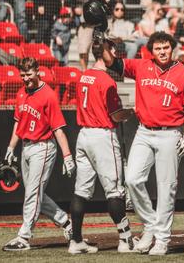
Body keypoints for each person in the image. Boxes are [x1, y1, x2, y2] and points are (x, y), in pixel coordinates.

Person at [98, 31, 184, 255]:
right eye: (158, 48)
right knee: (133, 179)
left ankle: (162, 239)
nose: (162, 52)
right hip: (144, 132)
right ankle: (150, 225)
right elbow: (111, 62)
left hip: (170, 133)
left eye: (166, 48)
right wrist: (102, 42)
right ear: (151, 51)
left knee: (166, 188)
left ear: (172, 49)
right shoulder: (142, 66)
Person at [68, 45, 137, 254]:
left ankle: (76, 241)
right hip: (103, 136)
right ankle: (126, 240)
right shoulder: (107, 80)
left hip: (84, 135)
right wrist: (131, 112)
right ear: (109, 53)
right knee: (114, 191)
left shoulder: (83, 76)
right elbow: (116, 115)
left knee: (81, 191)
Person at [2, 57, 76, 251]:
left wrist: (67, 155)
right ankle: (67, 223)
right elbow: (18, 122)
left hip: (43, 147)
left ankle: (24, 237)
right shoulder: (21, 93)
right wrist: (11, 148)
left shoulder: (48, 95)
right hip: (26, 146)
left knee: (33, 194)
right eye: (23, 75)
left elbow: (59, 128)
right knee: (34, 194)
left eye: (29, 74)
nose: (26, 78)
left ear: (37, 71)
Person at [65, 0, 99, 70]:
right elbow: (67, 3)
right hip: (85, 25)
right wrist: (74, 10)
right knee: (83, 50)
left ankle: (97, 70)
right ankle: (84, 70)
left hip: (100, 24)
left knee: (100, 51)